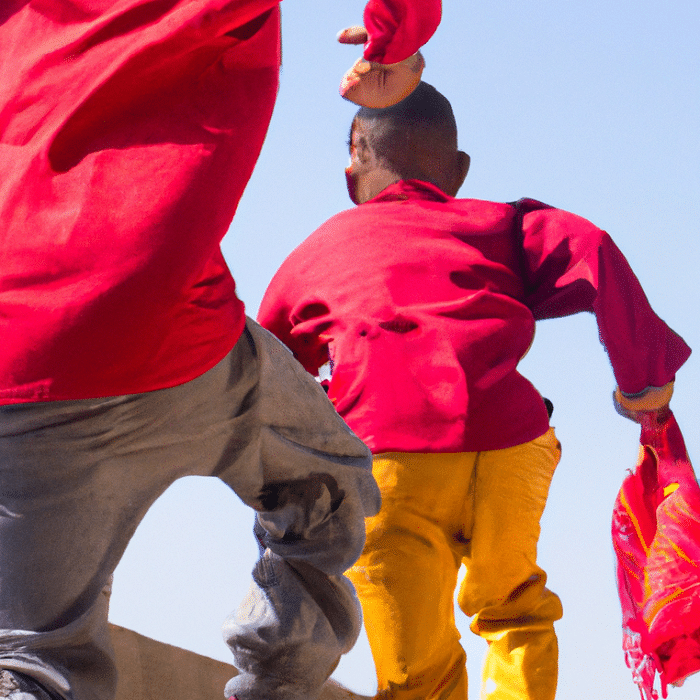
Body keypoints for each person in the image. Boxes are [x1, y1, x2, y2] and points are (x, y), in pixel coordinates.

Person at [0, 2, 442, 700]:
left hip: (15, 351)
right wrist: (399, 31)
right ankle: (278, 683)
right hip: (171, 333)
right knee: (325, 480)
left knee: (32, 661)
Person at [257, 82, 692, 700]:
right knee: (515, 611)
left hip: (389, 460)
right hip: (511, 444)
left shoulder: (320, 250)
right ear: (459, 171)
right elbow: (592, 247)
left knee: (417, 673)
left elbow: (266, 362)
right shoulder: (502, 223)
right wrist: (644, 383)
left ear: (353, 160)